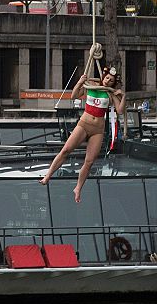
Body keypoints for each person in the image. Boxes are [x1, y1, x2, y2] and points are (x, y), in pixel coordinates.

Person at [39, 65, 124, 203]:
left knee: (89, 161)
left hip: (98, 130)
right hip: (84, 124)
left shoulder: (110, 93)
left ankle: (78, 188)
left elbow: (120, 111)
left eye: (111, 80)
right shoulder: (91, 85)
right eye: (107, 78)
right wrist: (80, 81)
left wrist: (123, 96)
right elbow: (73, 96)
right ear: (103, 76)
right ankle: (48, 175)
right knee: (66, 150)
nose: (108, 81)